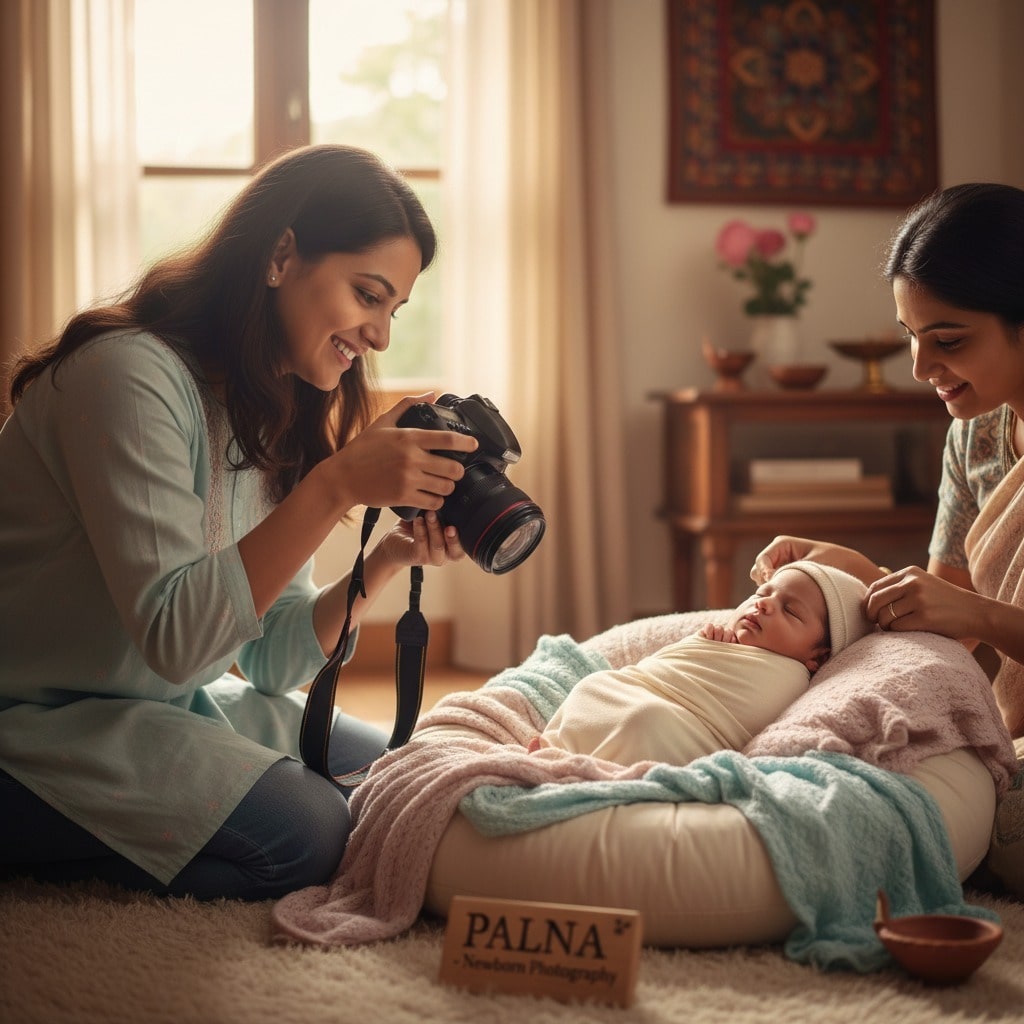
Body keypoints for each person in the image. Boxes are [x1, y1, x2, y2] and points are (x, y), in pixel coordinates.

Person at [0, 144, 480, 900]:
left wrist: (382, 559)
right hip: (33, 720)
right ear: (281, 254)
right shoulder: (127, 375)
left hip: (153, 708)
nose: (380, 336)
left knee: (400, 770)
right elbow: (179, 637)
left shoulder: (273, 408)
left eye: (394, 309)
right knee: (311, 832)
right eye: (367, 294)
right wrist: (333, 487)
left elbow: (270, 662)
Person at [750, 183, 1024, 744]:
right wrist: (848, 576)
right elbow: (949, 622)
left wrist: (978, 616)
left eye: (948, 340)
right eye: (911, 337)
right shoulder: (976, 436)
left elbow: (970, 616)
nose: (922, 368)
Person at [534, 561, 873, 765]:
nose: (765, 606)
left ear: (819, 657)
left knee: (648, 723)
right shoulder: (717, 640)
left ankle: (580, 765)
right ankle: (558, 746)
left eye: (790, 610)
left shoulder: (793, 678)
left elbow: (739, 720)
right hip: (641, 693)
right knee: (594, 684)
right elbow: (659, 672)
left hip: (677, 725)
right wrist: (700, 643)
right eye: (761, 594)